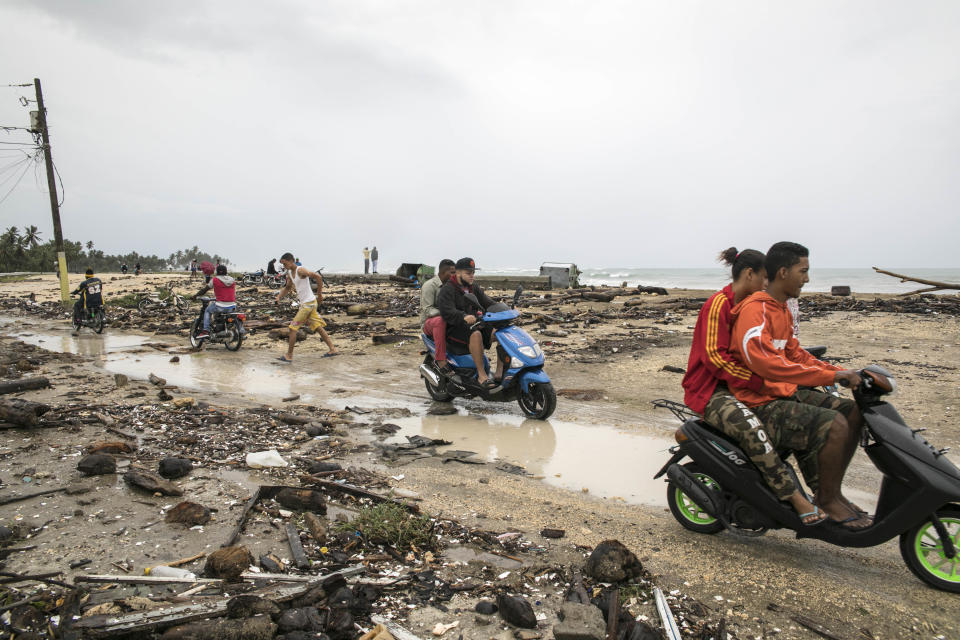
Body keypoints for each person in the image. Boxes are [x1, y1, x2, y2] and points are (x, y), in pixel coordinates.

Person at [730, 241, 869, 529]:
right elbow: (764, 364)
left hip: (783, 394)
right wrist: (829, 377)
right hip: (758, 402)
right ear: (783, 272)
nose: (807, 278)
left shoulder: (781, 309)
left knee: (854, 412)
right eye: (803, 271)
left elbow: (796, 353)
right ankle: (827, 500)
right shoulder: (755, 311)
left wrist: (843, 371)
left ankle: (832, 493)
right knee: (835, 424)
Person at [682, 248, 825, 525]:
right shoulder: (718, 304)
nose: (766, 284)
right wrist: (760, 382)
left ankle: (823, 493)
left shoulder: (753, 307)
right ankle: (793, 497)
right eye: (764, 278)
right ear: (750, 274)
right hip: (711, 391)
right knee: (751, 427)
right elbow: (714, 358)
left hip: (743, 386)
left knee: (798, 422)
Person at [437, 257, 507, 388]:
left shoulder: (473, 287)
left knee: (501, 332)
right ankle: (482, 376)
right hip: (455, 328)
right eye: (468, 273)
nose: (472, 276)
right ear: (458, 273)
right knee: (476, 334)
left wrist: (505, 310)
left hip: (475, 324)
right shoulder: (447, 289)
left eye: (473, 273)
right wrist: (463, 316)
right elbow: (446, 311)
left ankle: (499, 372)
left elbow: (488, 303)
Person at [275, 252, 336, 362]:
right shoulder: (289, 272)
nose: (284, 266)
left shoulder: (300, 270)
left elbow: (317, 277)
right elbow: (288, 287)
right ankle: (332, 349)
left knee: (292, 328)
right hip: (308, 303)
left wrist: (320, 294)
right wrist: (279, 296)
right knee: (317, 327)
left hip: (308, 304)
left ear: (291, 261)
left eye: (285, 264)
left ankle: (289, 355)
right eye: (283, 265)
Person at [420, 259, 456, 372]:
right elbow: (427, 310)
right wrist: (447, 312)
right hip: (429, 323)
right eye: (452, 272)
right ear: (443, 272)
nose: (454, 275)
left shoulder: (451, 286)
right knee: (440, 321)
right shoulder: (429, 286)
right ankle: (440, 359)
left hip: (447, 318)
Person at [193, 264, 236, 339]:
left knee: (207, 311)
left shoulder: (215, 280)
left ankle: (206, 330)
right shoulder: (232, 280)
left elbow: (204, 290)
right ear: (226, 271)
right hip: (232, 305)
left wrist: (195, 296)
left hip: (220, 305)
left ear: (217, 271)